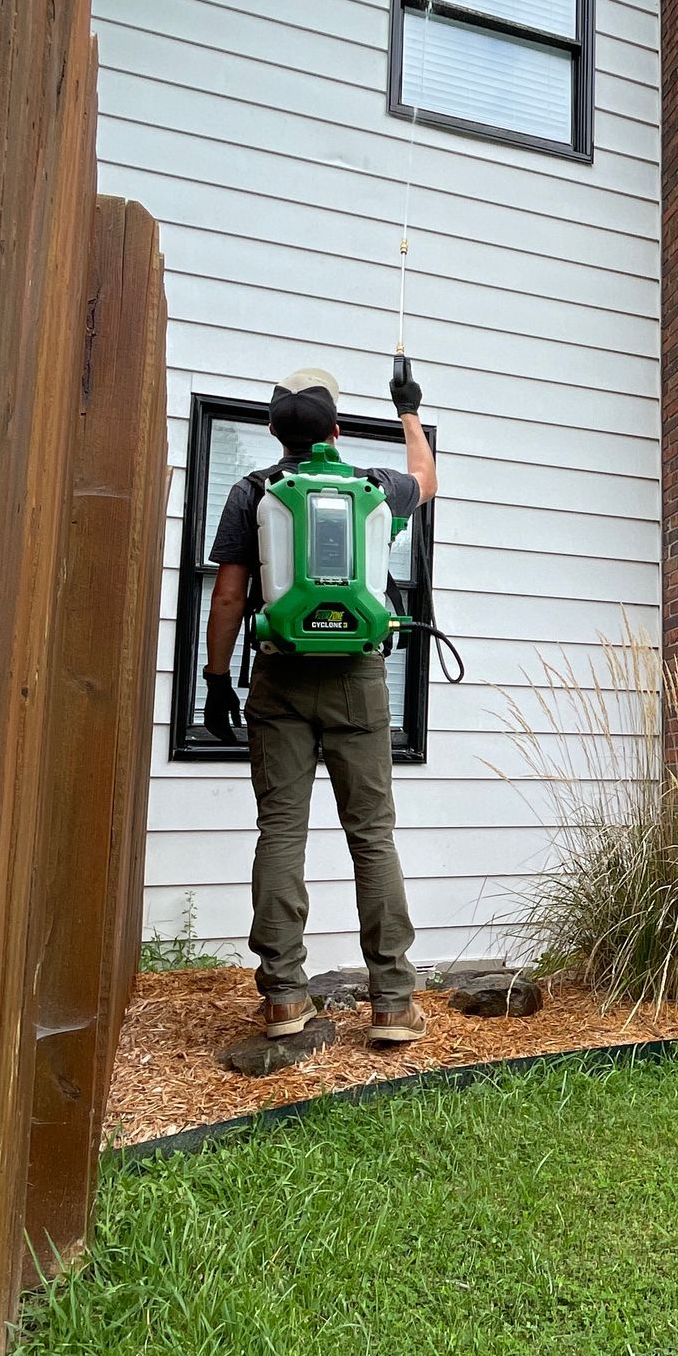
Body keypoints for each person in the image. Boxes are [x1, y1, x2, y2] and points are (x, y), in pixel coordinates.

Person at [200, 362, 435, 1046]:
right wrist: (408, 411)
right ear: (335, 430)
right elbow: (428, 476)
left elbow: (228, 597)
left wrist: (217, 679)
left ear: (274, 430)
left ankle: (282, 998)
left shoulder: (253, 491)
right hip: (358, 678)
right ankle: (392, 1002)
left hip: (279, 678)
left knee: (281, 832)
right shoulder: (375, 488)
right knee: (372, 836)